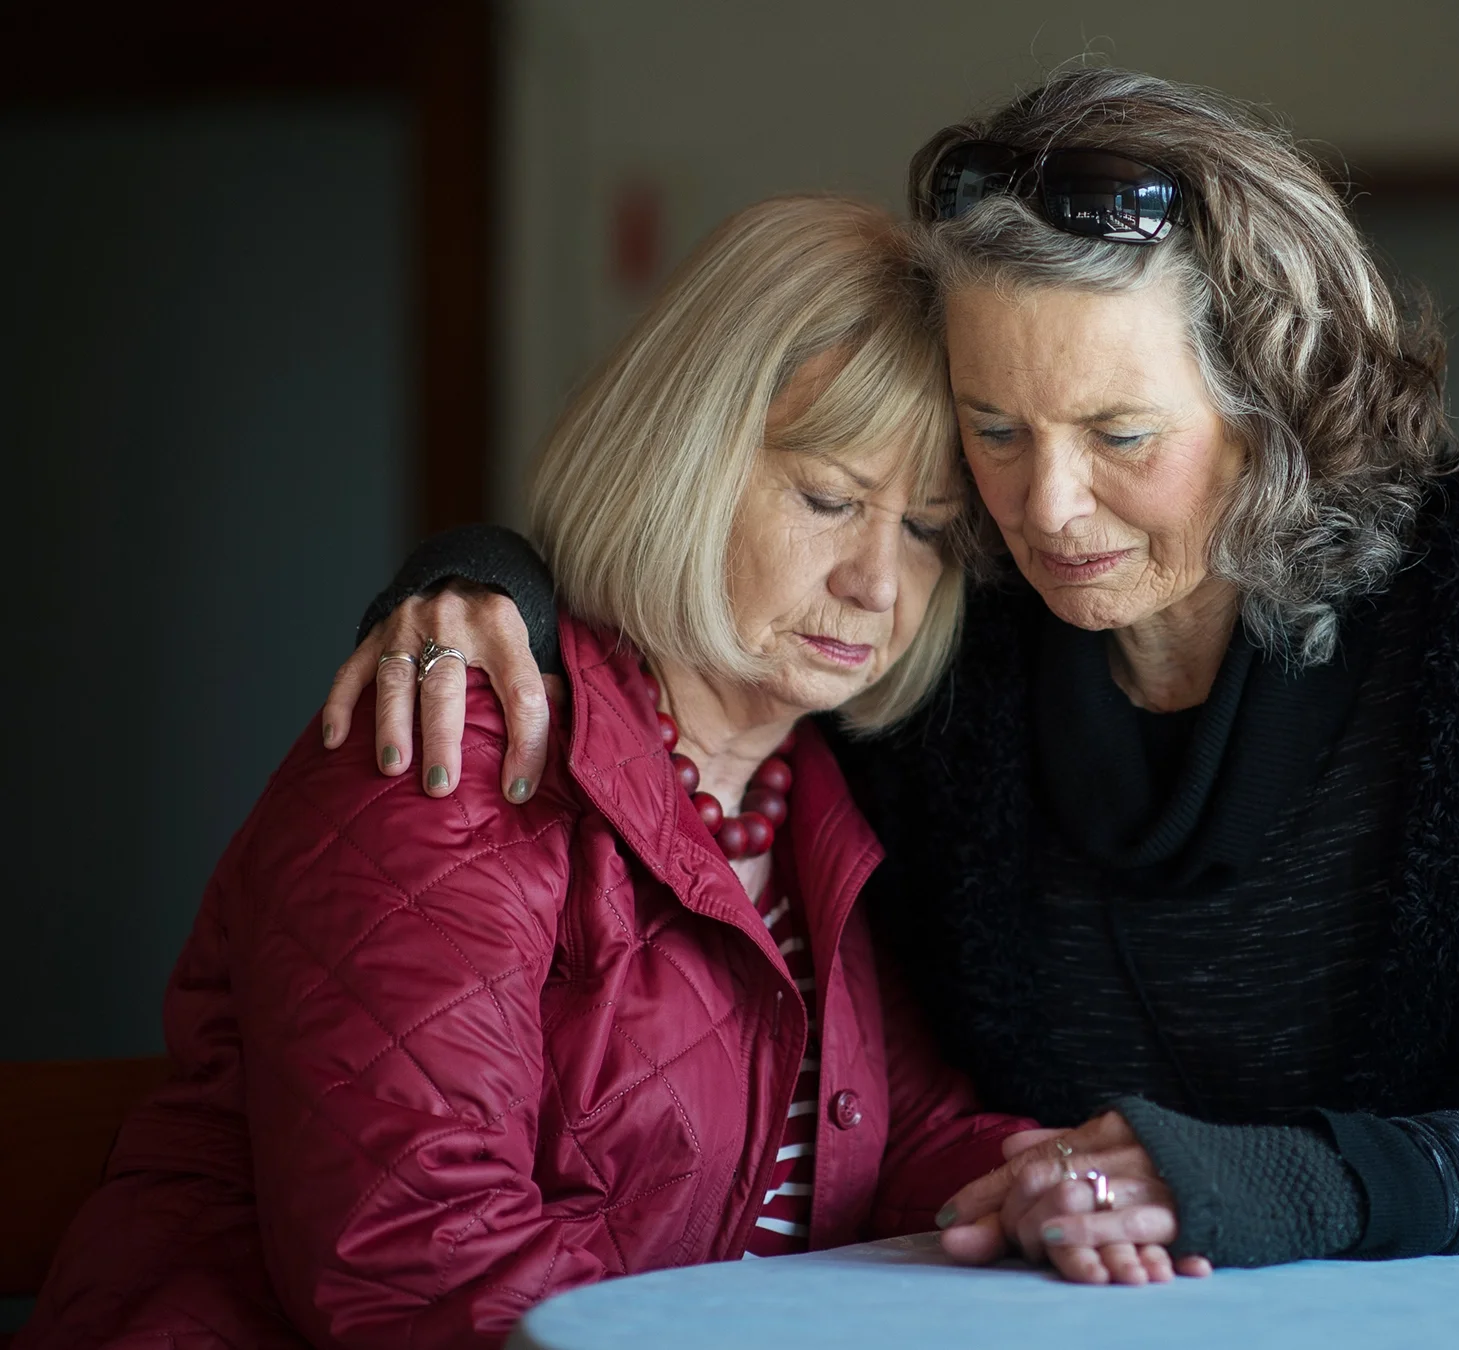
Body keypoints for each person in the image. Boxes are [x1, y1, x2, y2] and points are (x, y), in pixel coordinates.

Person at [332, 67, 1459, 1288]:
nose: (1047, 508)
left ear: (1272, 401)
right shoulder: (950, 618)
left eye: (1119, 433)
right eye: (995, 428)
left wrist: (1272, 1182)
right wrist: (488, 573)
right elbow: (707, 567)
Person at [22, 196, 1050, 1350]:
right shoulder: (454, 741)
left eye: (927, 530)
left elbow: (900, 1143)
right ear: (681, 465)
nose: (879, 583)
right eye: (830, 499)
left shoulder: (805, 793)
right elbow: (421, 1251)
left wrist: (1045, 1188)